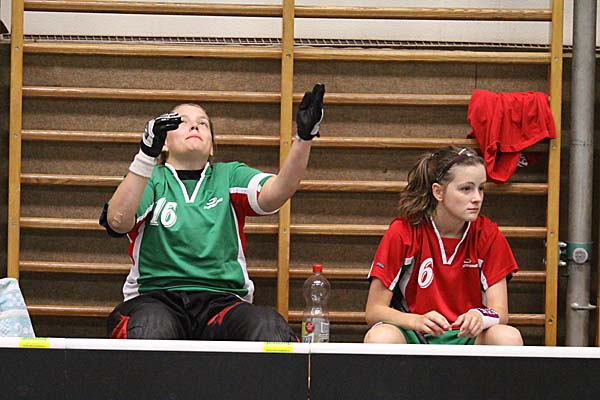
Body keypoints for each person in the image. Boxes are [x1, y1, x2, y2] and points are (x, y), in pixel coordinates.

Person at [99, 84, 325, 341]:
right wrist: (145, 155)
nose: (194, 126)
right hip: (156, 299)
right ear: (164, 142)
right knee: (150, 326)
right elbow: (117, 222)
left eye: (203, 123)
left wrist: (304, 138)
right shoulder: (149, 179)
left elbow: (278, 191)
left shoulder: (229, 175)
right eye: (182, 122)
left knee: (268, 325)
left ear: (212, 148)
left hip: (222, 303)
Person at [363, 146, 523, 345]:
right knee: (380, 337)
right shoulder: (403, 232)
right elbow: (374, 310)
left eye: (481, 188)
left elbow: (501, 313)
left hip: (467, 338)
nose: (477, 198)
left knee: (507, 336)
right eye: (466, 189)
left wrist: (481, 316)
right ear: (438, 192)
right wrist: (416, 320)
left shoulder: (489, 235)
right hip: (415, 334)